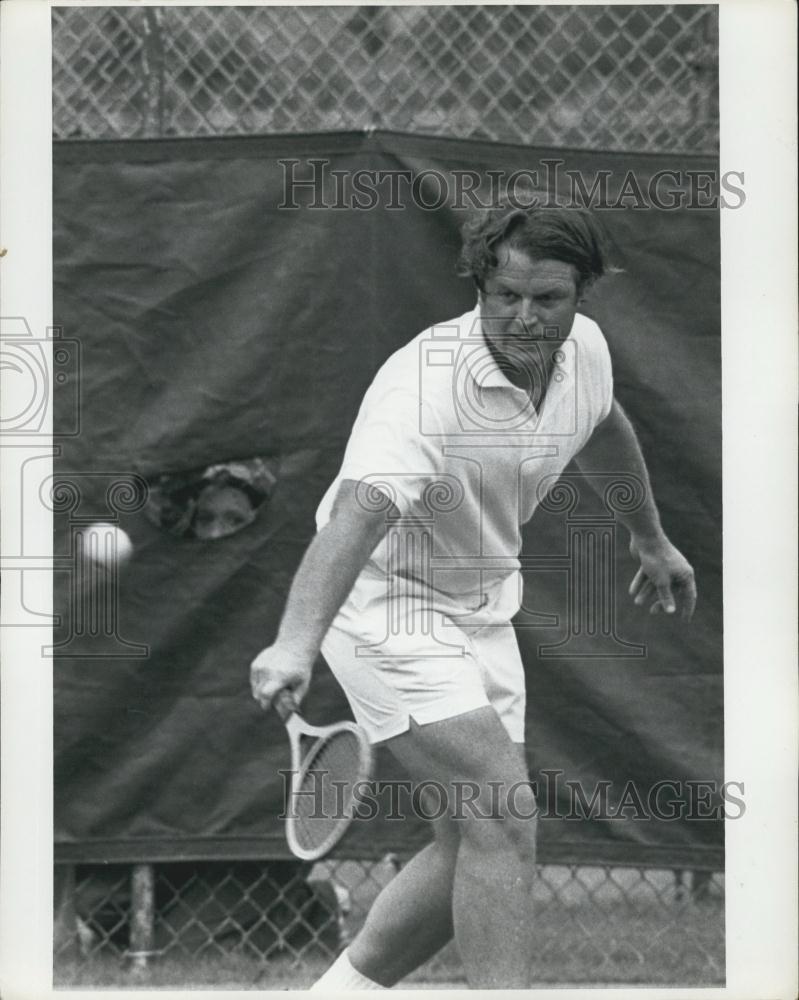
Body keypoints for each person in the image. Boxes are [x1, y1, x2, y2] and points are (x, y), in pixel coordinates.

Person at [250, 202, 697, 989]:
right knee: (504, 813)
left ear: (581, 294)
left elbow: (601, 425)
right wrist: (295, 640)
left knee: (471, 837)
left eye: (547, 300)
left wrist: (647, 537)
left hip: (481, 603)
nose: (523, 318)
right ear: (480, 287)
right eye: (504, 297)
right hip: (385, 603)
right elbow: (357, 513)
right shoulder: (424, 389)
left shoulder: (582, 352)